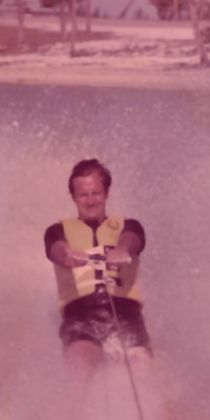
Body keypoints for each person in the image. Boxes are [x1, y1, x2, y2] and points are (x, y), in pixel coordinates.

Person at [44, 159, 153, 384]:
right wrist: (67, 256)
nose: (91, 201)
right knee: (80, 362)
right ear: (73, 197)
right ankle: (70, 419)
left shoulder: (128, 226)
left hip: (124, 313)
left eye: (96, 193)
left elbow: (132, 240)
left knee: (140, 363)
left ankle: (162, 418)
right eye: (84, 195)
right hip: (80, 314)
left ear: (106, 192)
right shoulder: (58, 230)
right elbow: (56, 248)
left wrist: (122, 250)